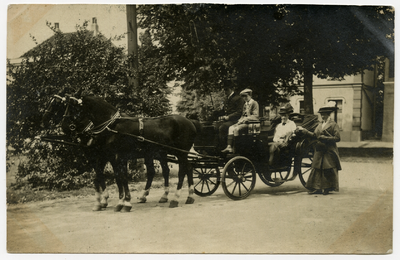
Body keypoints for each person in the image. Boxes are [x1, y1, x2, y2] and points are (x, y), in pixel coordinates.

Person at [297, 101, 341, 195]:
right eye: (321, 115)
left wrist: (326, 138)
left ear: (328, 115)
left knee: (327, 168)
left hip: (329, 150)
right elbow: (314, 135)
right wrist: (305, 131)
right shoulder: (319, 125)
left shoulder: (333, 124)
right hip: (319, 149)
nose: (322, 116)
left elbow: (337, 138)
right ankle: (316, 188)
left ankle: (327, 188)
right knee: (316, 167)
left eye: (324, 115)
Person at [221, 88, 259, 153]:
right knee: (231, 128)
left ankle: (236, 149)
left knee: (236, 129)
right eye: (243, 96)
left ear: (250, 95)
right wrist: (239, 121)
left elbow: (256, 116)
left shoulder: (254, 103)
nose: (244, 98)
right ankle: (229, 147)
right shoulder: (245, 104)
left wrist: (245, 119)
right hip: (243, 122)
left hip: (250, 123)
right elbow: (243, 115)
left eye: (246, 96)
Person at [214, 84, 245, 149]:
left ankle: (224, 147)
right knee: (215, 126)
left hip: (236, 120)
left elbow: (239, 112)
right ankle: (216, 146)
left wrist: (229, 117)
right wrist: (218, 114)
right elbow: (225, 111)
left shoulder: (238, 98)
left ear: (231, 89)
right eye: (224, 90)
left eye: (227, 90)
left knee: (223, 127)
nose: (225, 92)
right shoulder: (226, 99)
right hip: (227, 121)